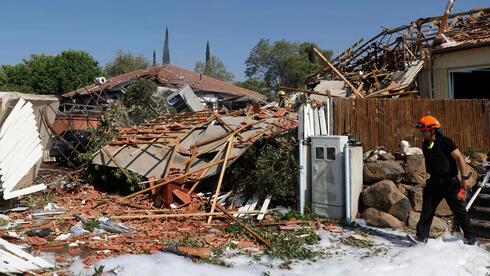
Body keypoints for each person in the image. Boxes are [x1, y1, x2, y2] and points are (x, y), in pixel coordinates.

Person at [409, 115, 476, 245]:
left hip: (450, 183)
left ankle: (470, 238)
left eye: (423, 130)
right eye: (421, 130)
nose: (421, 133)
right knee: (427, 209)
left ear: (432, 130)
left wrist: (464, 178)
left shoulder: (445, 142)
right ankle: (421, 238)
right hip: (434, 182)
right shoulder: (425, 144)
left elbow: (460, 158)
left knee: (458, 210)